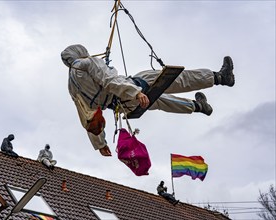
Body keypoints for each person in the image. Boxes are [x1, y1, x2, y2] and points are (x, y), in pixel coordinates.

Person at [61, 44, 235, 157]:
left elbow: (86, 116)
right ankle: (219, 78)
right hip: (129, 93)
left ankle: (197, 106)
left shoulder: (72, 86)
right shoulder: (89, 63)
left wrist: (100, 144)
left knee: (159, 101)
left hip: (123, 108)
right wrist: (135, 92)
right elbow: (110, 81)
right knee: (175, 80)